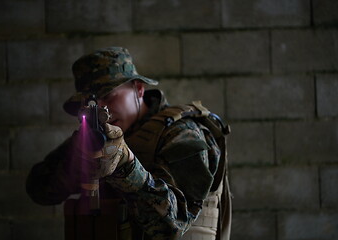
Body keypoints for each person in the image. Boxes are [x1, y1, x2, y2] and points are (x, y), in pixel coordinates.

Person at [26, 47, 231, 240]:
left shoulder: (182, 133)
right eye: (91, 103)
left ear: (139, 89)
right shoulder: (92, 138)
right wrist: (77, 165)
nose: (102, 109)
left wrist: (126, 166)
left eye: (108, 96)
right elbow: (39, 189)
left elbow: (174, 223)